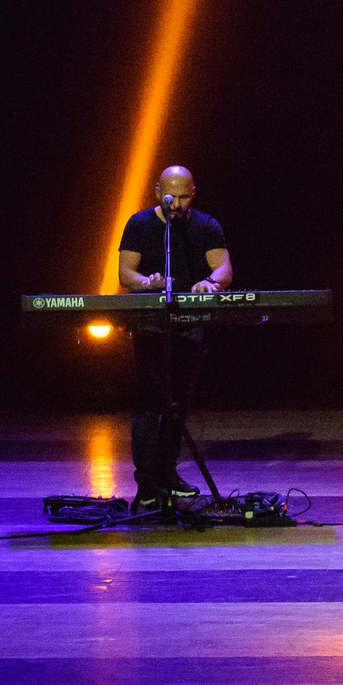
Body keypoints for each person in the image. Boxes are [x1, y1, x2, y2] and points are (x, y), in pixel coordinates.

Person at [116, 165, 231, 507]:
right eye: (171, 197)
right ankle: (146, 483)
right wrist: (146, 282)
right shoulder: (139, 224)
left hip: (190, 324)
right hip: (150, 324)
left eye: (184, 197)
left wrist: (211, 282)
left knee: (179, 401)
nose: (177, 205)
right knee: (149, 402)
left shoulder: (206, 225)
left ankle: (167, 472)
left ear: (193, 194)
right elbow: (125, 273)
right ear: (157, 192)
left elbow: (224, 268)